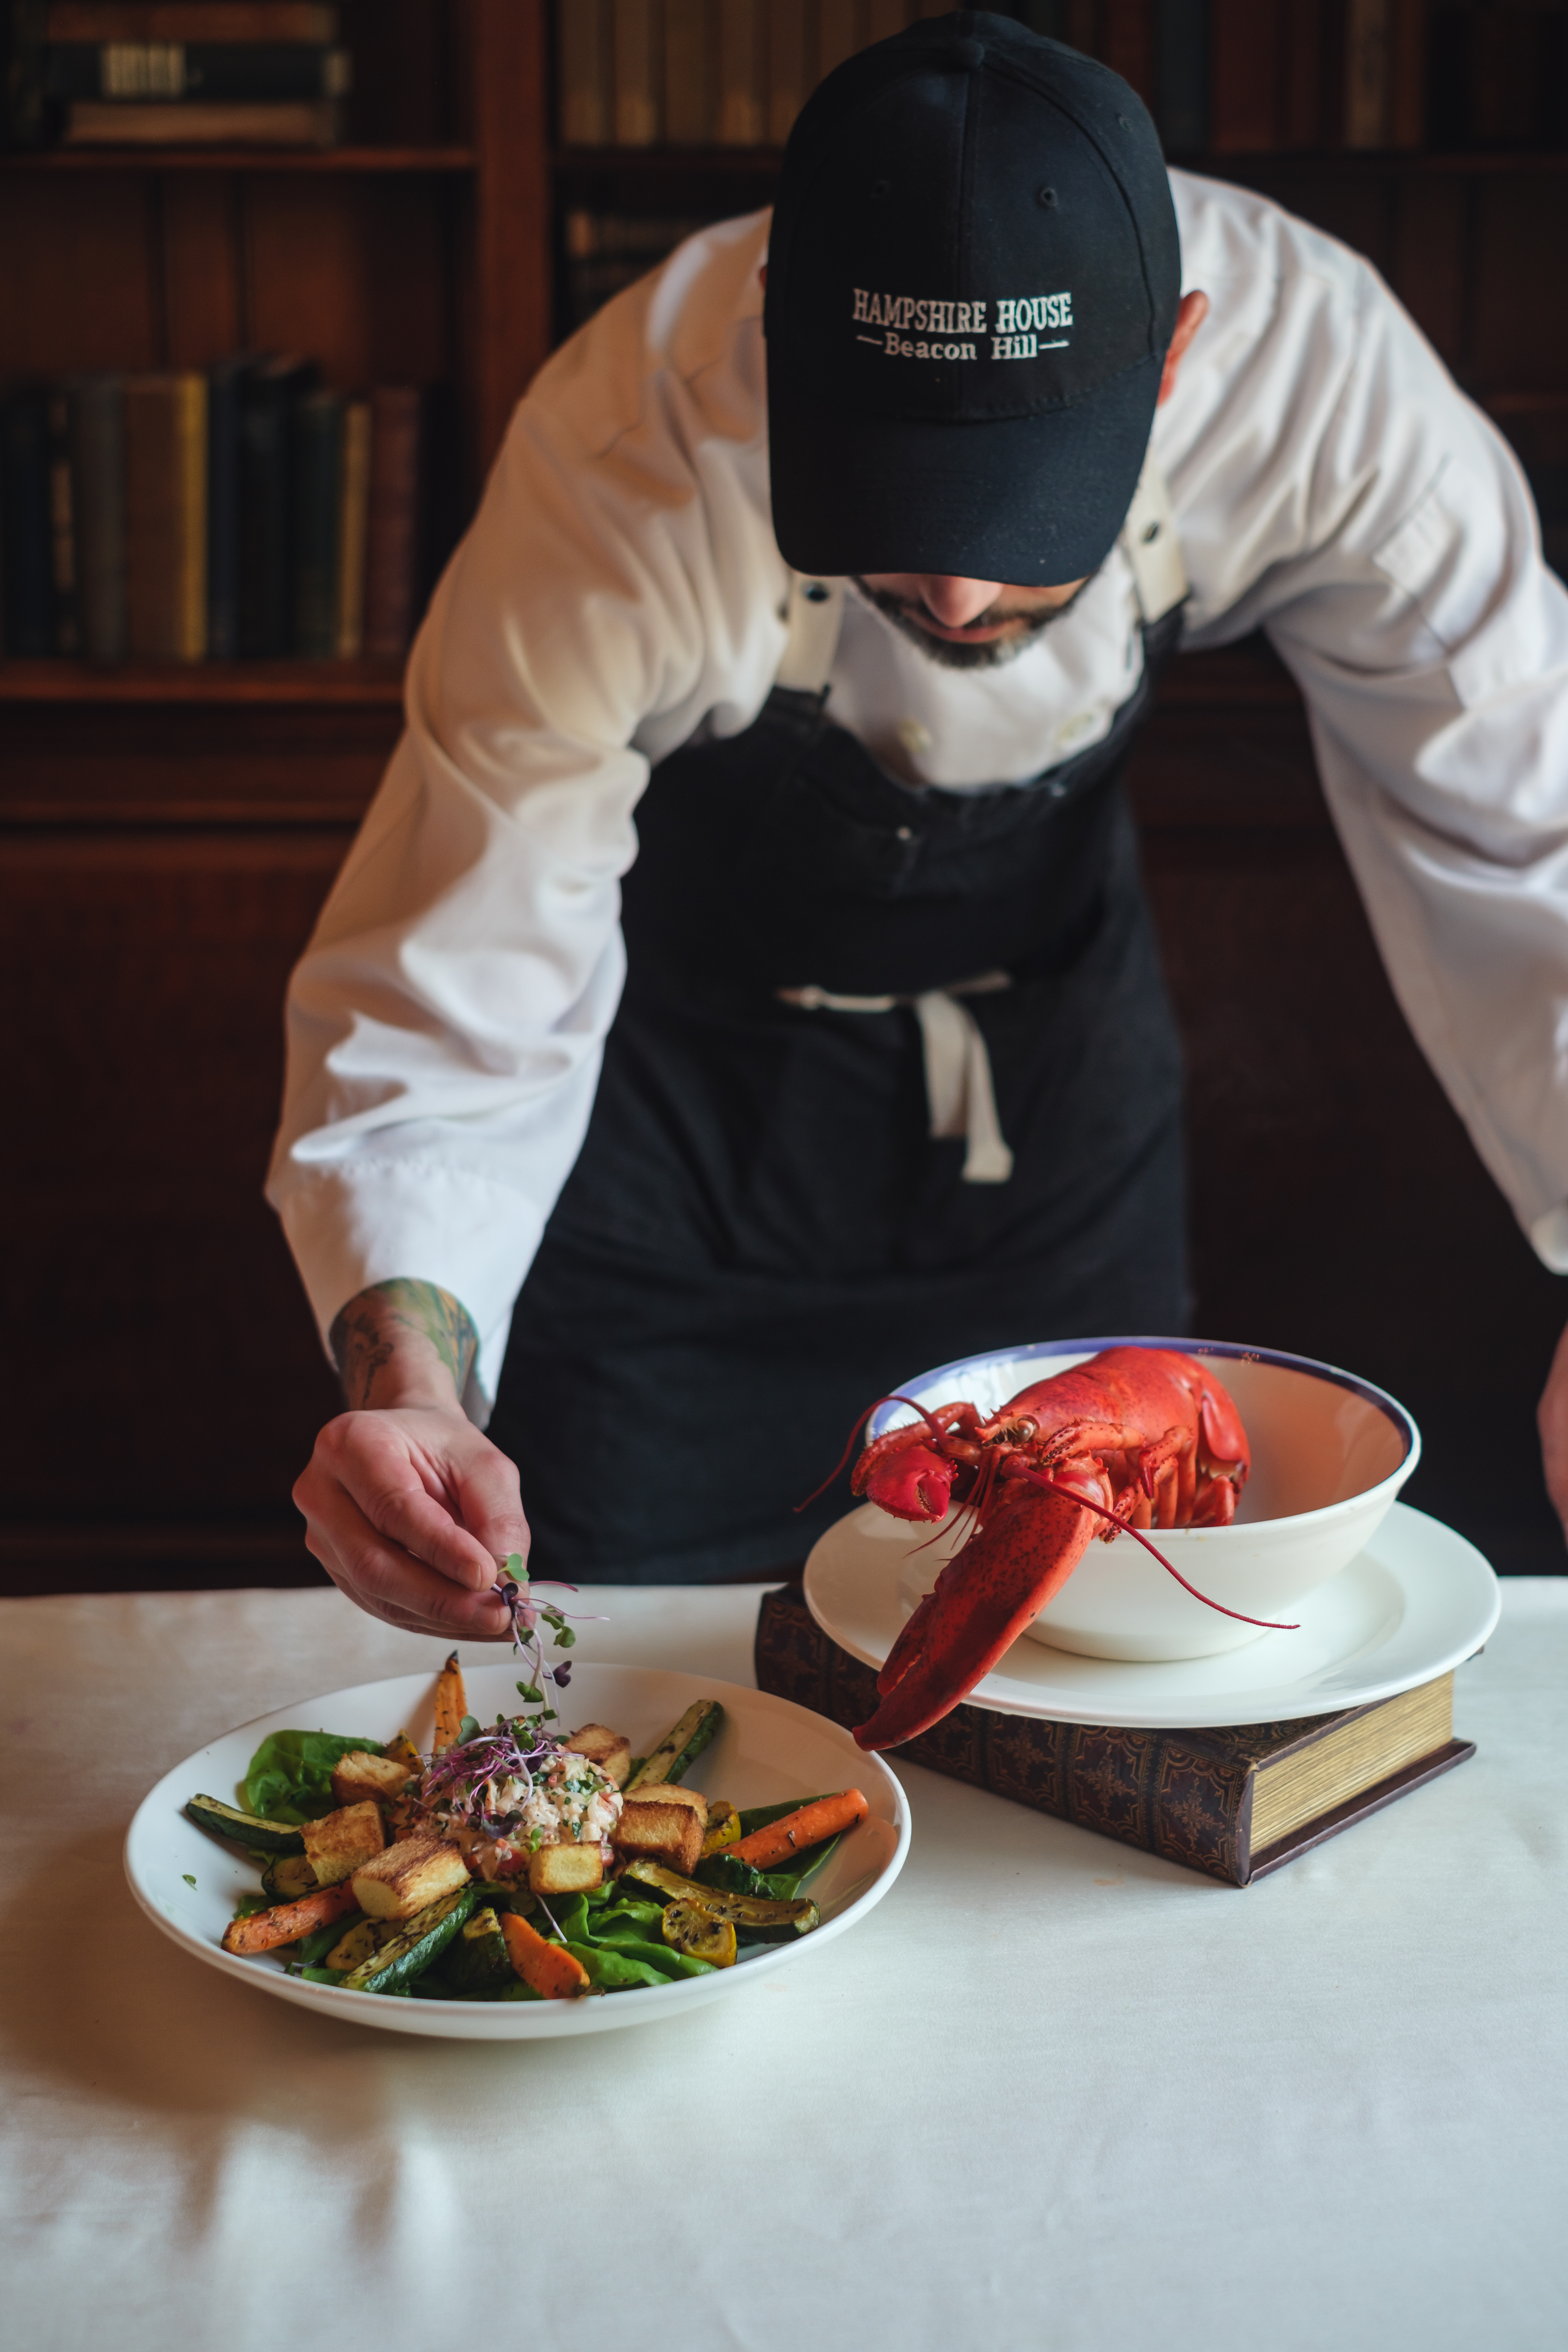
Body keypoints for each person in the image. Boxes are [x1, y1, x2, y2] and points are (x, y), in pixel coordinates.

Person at [272, 11, 1568, 1641]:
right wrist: (417, 1391)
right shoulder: (625, 461)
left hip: (1056, 1132)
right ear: (778, 332)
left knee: (1085, 1703)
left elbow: (1537, 837)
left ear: (1172, 360)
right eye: (895, 509)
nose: (954, 594)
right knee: (645, 1682)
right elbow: (457, 965)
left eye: (1022, 522)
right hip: (678, 1162)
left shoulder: (1322, 386)